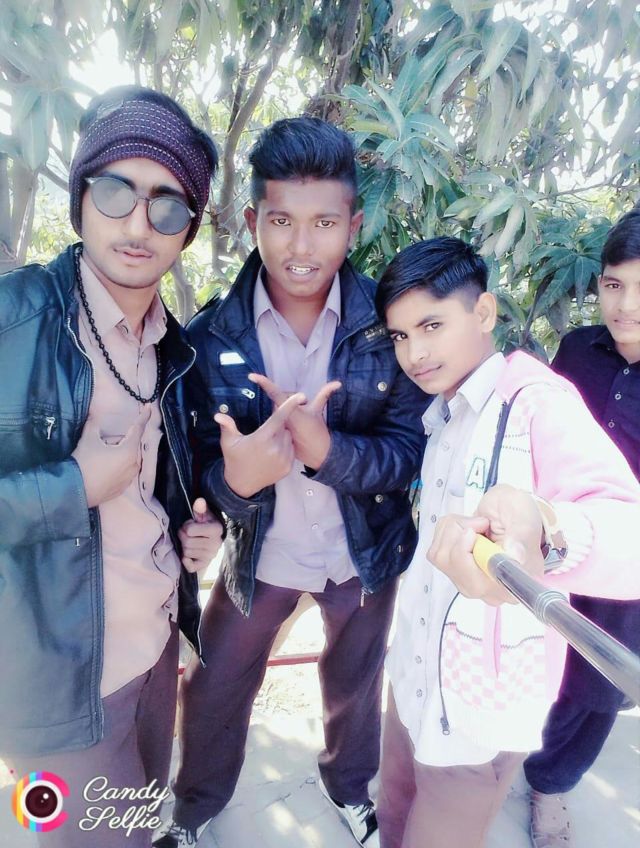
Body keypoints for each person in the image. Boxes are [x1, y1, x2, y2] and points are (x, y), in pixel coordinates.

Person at [154, 117, 425, 848]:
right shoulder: (209, 338)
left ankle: (349, 789)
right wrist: (235, 483)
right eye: (281, 221)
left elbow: (407, 451)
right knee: (213, 687)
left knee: (356, 685)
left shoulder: (389, 329)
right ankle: (194, 810)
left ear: (353, 225)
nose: (301, 247)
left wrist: (328, 451)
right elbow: (198, 470)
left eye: (324, 223)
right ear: (252, 222)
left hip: (361, 556)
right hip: (261, 558)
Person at [0, 86, 224, 848]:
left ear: (188, 227)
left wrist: (196, 528)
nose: (137, 224)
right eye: (116, 190)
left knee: (138, 820)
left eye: (167, 204)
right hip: (58, 682)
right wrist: (71, 488)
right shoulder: (12, 322)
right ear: (81, 197)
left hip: (155, 651)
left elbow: (160, 485)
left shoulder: (173, 346)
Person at [372, 236, 640, 848]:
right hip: (413, 679)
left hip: (479, 709)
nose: (414, 353)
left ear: (485, 312)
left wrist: (545, 533)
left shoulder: (536, 402)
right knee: (393, 817)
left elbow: (627, 529)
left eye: (432, 326)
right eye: (400, 336)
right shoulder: (445, 410)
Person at [523, 207, 640, 848]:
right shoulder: (577, 351)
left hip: (628, 568)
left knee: (598, 686)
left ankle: (552, 784)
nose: (626, 306)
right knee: (534, 657)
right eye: (615, 285)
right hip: (556, 544)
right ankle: (511, 752)